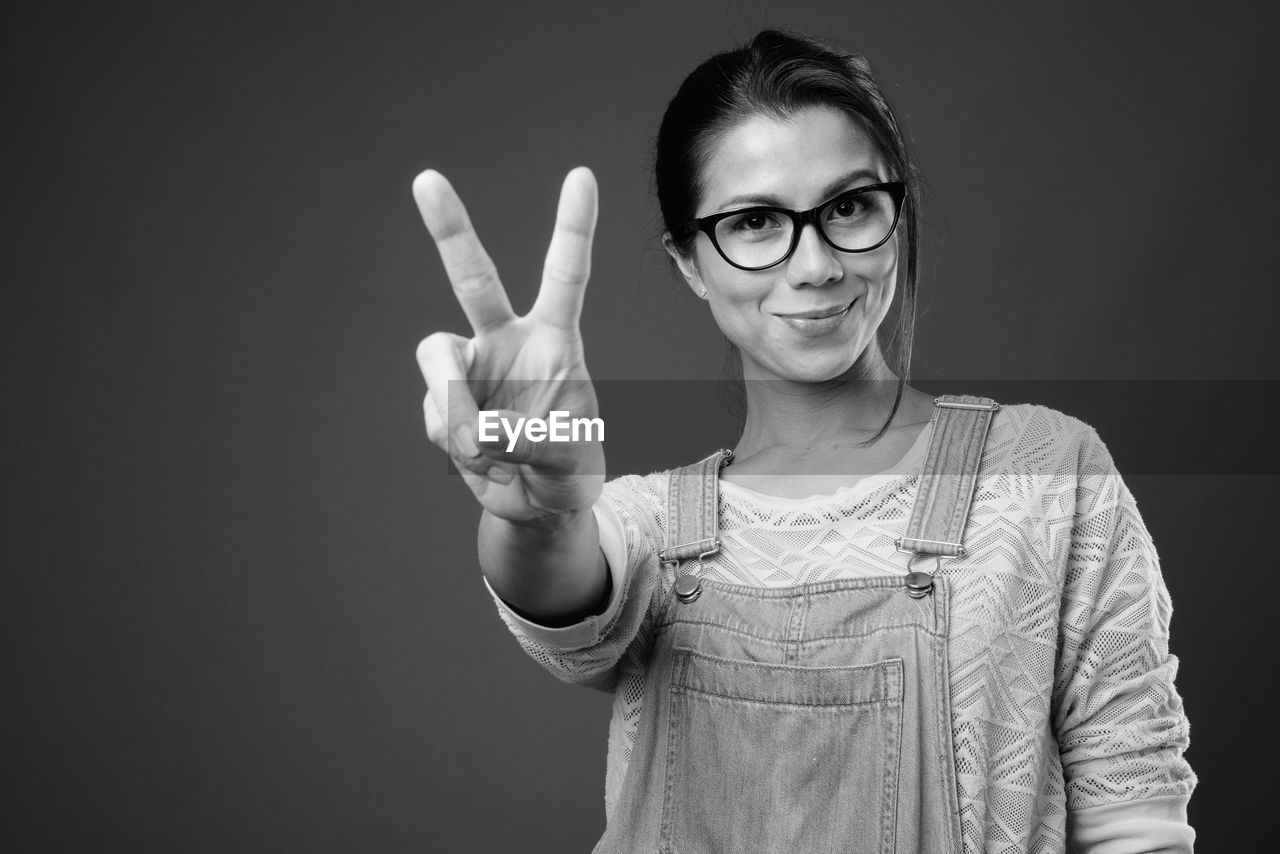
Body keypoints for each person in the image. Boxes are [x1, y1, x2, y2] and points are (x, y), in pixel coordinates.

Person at [412, 28, 1196, 854]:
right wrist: (538, 512)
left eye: (849, 206)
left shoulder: (1049, 475)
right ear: (689, 261)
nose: (816, 264)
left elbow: (1135, 822)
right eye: (755, 222)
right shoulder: (645, 534)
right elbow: (565, 579)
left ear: (897, 214)